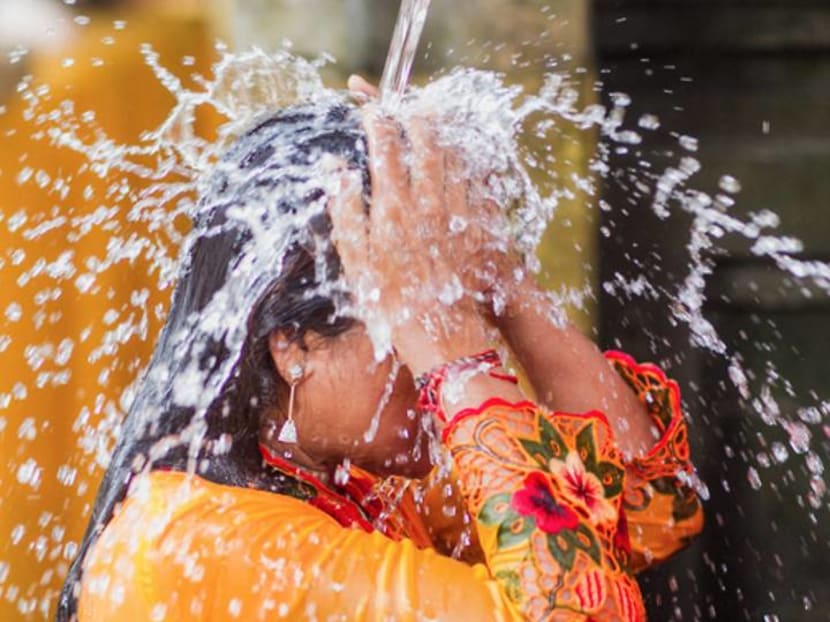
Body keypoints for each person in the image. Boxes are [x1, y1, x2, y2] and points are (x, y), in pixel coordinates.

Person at [63, 76, 703, 621]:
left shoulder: (354, 484)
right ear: (291, 346)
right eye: (410, 319)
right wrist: (458, 363)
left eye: (441, 310)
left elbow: (648, 509)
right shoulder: (202, 541)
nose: (433, 345)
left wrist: (499, 279)